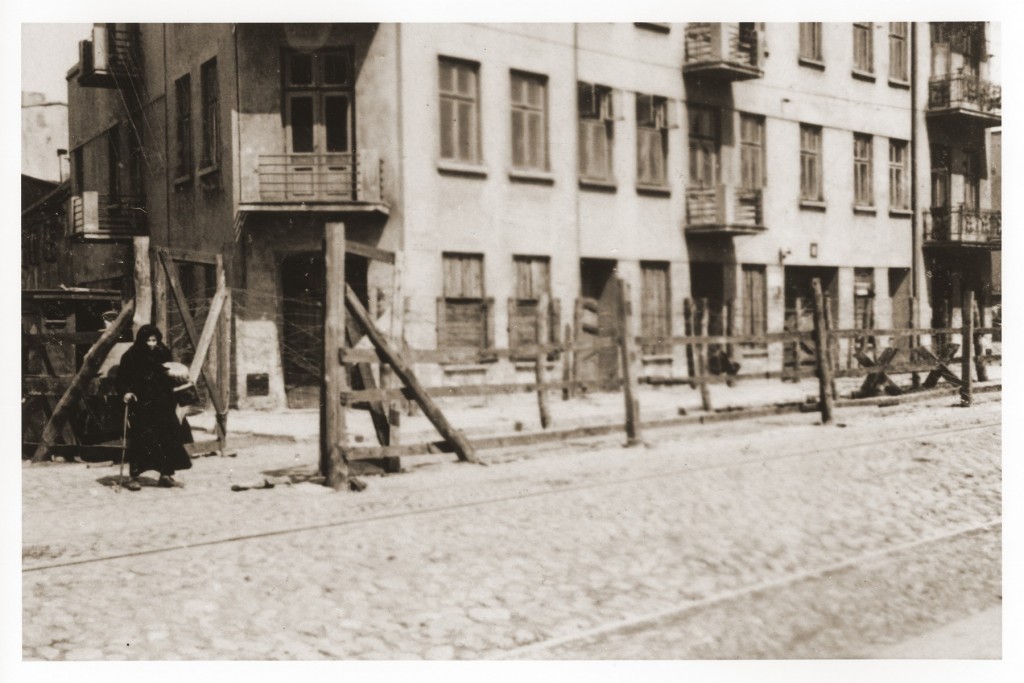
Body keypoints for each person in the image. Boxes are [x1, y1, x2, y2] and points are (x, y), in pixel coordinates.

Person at [115, 324, 192, 490]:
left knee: (168, 438)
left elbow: (171, 374)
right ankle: (134, 476)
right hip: (142, 404)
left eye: (154, 340)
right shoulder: (131, 355)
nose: (151, 344)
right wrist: (126, 392)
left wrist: (180, 378)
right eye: (148, 340)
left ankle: (166, 475)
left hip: (163, 403)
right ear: (141, 340)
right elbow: (122, 379)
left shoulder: (163, 353)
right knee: (141, 440)